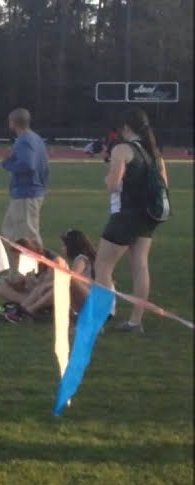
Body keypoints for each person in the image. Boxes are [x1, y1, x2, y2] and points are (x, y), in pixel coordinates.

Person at [96, 107, 168, 334]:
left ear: (125, 127)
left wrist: (108, 176)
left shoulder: (122, 150)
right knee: (140, 267)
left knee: (103, 266)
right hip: (148, 216)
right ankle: (135, 322)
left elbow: (113, 185)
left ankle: (97, 320)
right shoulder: (154, 154)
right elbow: (164, 186)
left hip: (126, 215)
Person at [0, 108, 48, 247]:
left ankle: (37, 267)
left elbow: (28, 165)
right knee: (10, 231)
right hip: (30, 191)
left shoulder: (24, 140)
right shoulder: (36, 138)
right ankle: (18, 266)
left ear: (13, 122)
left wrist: (7, 162)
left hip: (26, 193)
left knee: (27, 236)